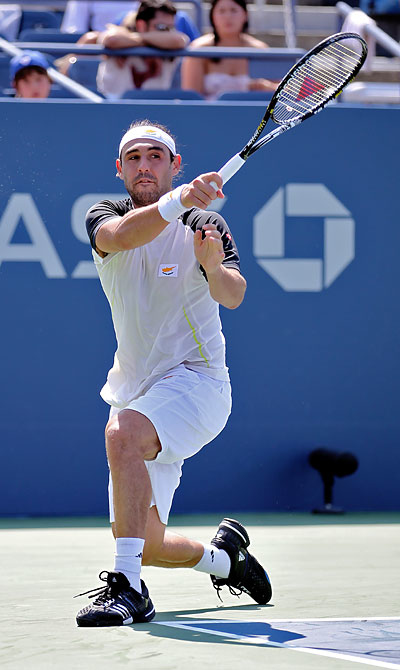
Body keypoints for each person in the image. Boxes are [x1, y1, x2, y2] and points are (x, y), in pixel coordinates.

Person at [75, 119, 272, 627]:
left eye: (155, 156)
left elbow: (233, 295)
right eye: (134, 158)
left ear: (174, 164)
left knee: (122, 435)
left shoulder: (204, 223)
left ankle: (127, 591)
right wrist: (177, 200)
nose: (144, 166)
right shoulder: (103, 216)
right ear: (120, 169)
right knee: (146, 542)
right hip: (136, 390)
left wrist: (213, 267)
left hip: (197, 383)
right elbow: (122, 236)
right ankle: (227, 561)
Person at [57, 0, 189, 99]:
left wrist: (140, 39)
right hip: (113, 109)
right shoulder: (118, 37)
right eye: (161, 27)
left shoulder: (171, 43)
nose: (167, 33)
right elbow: (111, 40)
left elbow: (179, 40)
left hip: (155, 113)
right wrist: (144, 40)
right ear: (141, 25)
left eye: (171, 28)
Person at [181, 0, 277, 100]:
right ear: (212, 16)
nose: (228, 16)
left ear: (245, 15)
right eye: (222, 11)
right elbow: (191, 98)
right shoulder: (198, 50)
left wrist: (266, 87)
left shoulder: (260, 50)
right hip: (208, 110)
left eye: (233, 10)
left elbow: (280, 93)